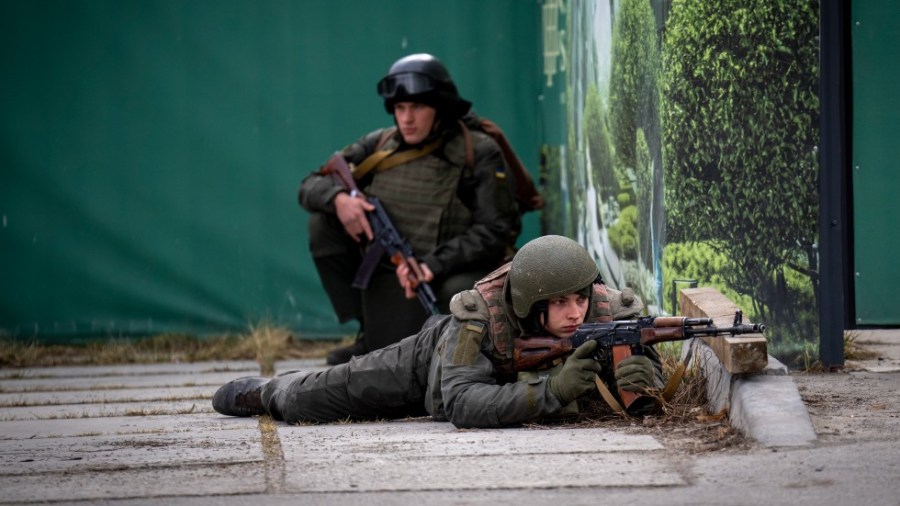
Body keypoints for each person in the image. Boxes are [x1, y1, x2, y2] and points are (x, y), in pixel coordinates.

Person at [212, 235, 663, 428]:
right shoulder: (477, 318)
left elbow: (650, 380)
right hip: (428, 365)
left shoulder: (613, 313)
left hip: (491, 383)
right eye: (559, 303)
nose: (574, 312)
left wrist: (644, 381)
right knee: (308, 401)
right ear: (530, 304)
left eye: (579, 299)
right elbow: (461, 403)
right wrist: (555, 391)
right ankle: (266, 390)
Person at [298, 53, 521, 366]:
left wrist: (433, 264)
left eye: (417, 107)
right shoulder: (380, 144)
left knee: (456, 299)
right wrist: (338, 199)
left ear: (440, 107)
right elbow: (309, 185)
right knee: (323, 225)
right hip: (392, 265)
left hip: (448, 269)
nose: (407, 118)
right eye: (400, 108)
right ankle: (367, 332)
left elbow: (493, 232)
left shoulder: (478, 151)